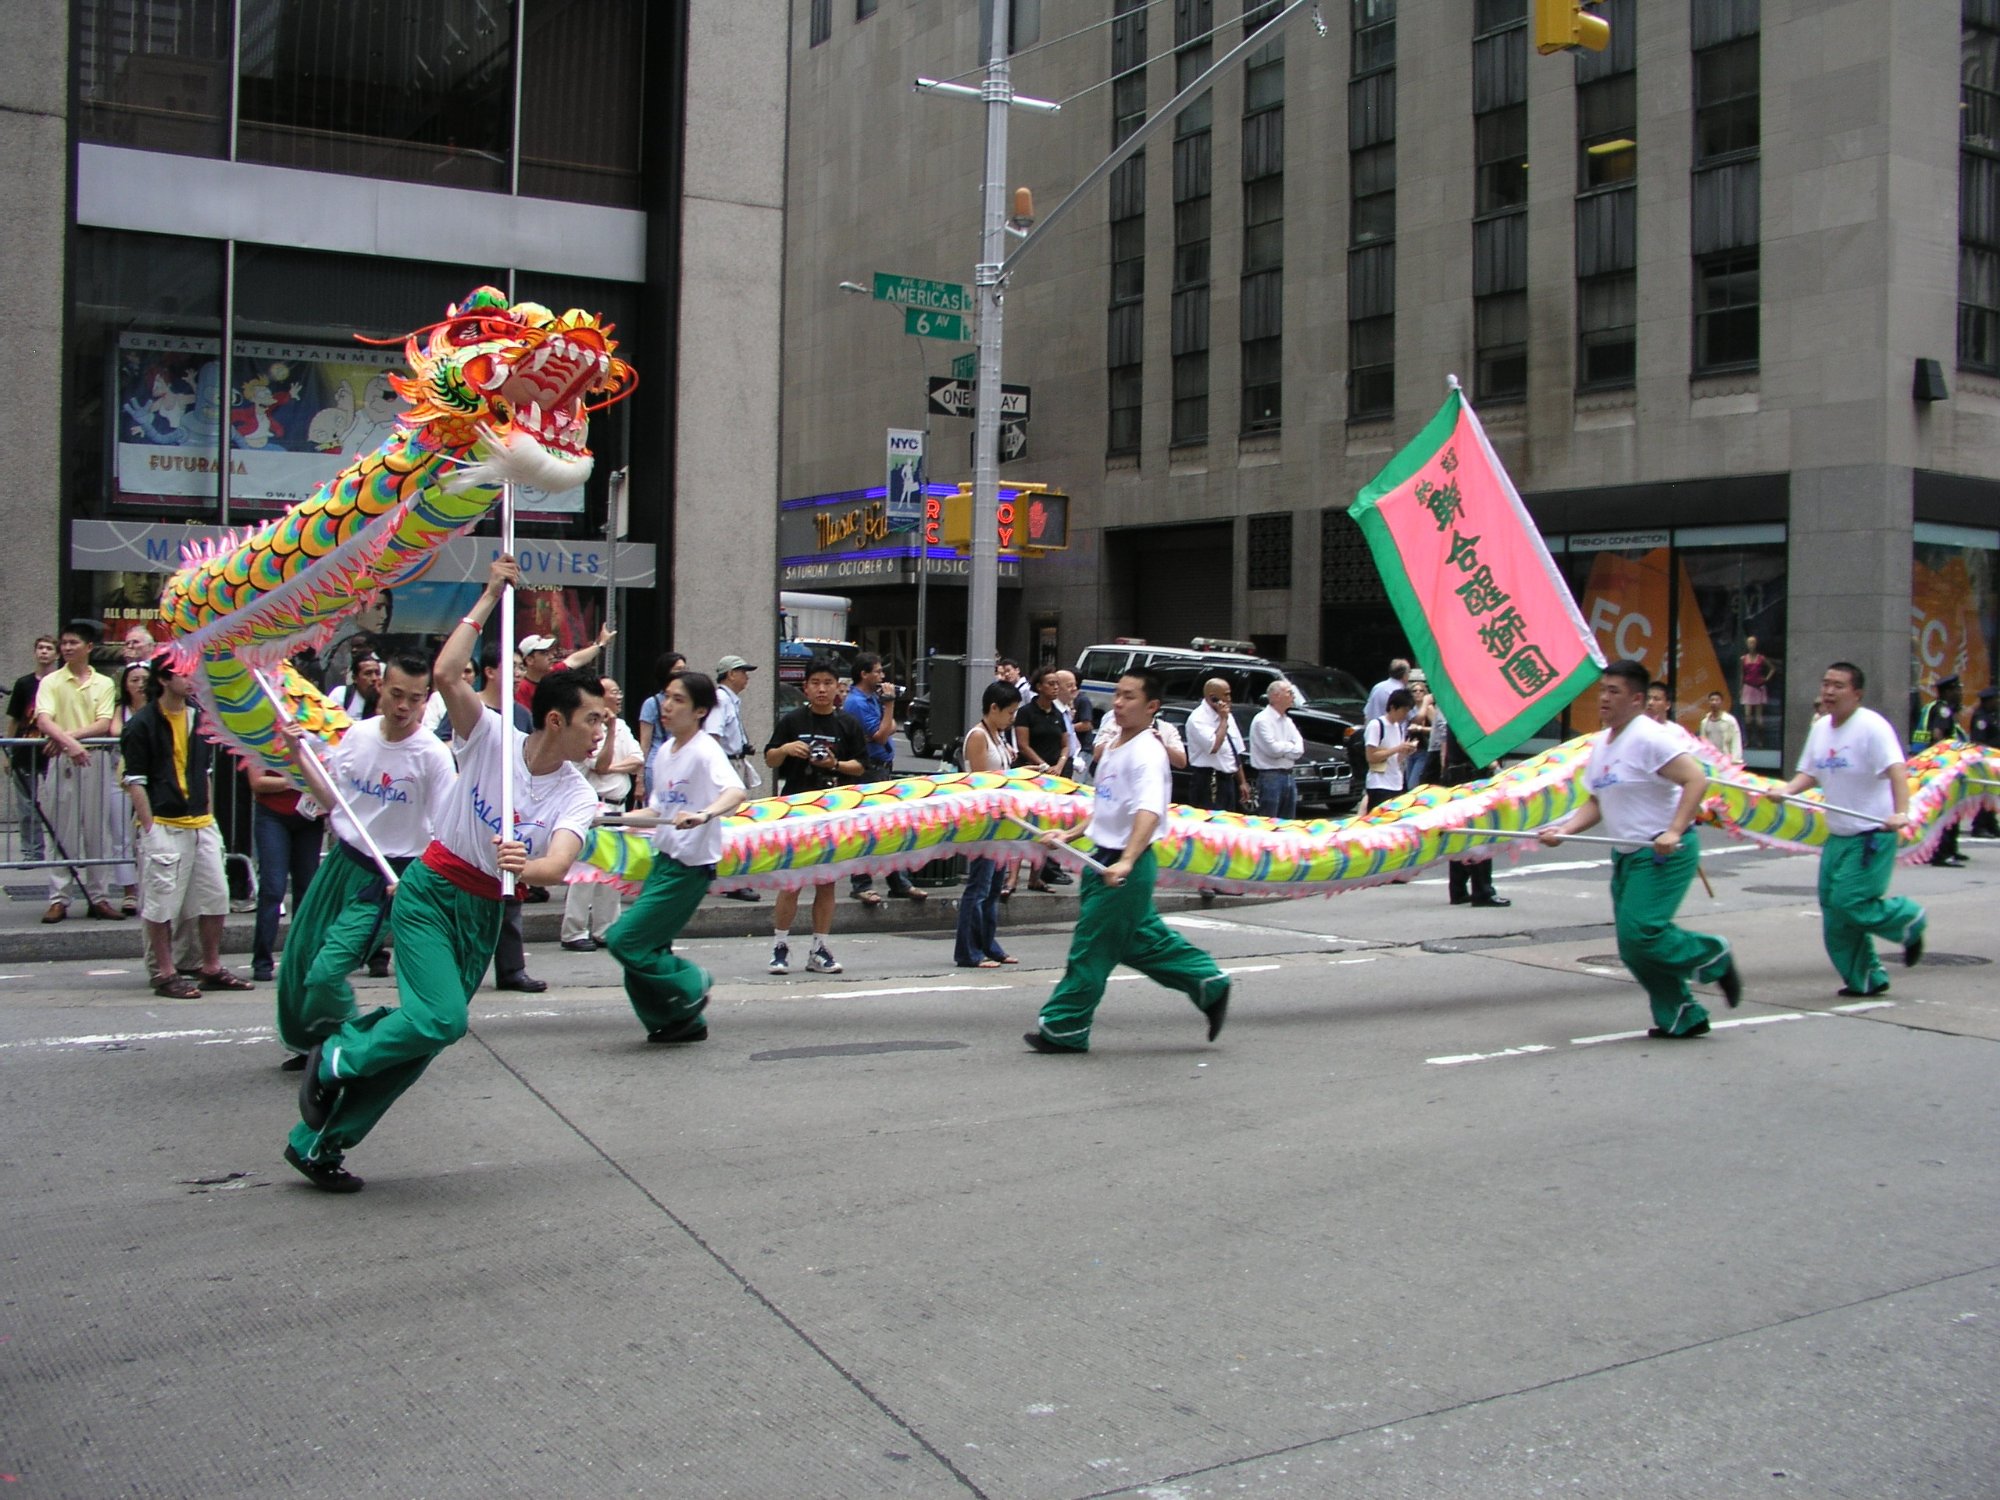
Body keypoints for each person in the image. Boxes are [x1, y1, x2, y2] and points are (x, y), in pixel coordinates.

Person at [288, 556, 606, 1193]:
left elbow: (560, 861)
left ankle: (319, 1144)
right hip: (432, 893)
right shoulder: (487, 737)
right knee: (441, 1020)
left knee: (422, 1040)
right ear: (555, 720)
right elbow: (444, 672)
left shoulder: (577, 794)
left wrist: (528, 866)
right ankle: (336, 1055)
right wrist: (489, 594)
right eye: (593, 719)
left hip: (482, 913)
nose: (603, 732)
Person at [1023, 668, 1231, 1054]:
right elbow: (1107, 804)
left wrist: (1128, 860)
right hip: (1105, 858)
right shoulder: (1117, 744)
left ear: (1152, 706)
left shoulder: (1148, 754)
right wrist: (1068, 835)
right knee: (1141, 942)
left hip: (1121, 867)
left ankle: (1064, 1026)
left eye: (1129, 697)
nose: (1118, 703)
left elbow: (1149, 810)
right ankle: (1208, 982)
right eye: (1117, 695)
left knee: (1092, 947)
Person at [1539, 659, 1741, 1038]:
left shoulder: (1650, 737)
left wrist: (1674, 830)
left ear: (1636, 699)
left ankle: (1712, 954)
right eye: (1602, 690)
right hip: (1627, 855)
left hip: (1662, 852)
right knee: (1633, 949)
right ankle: (1681, 1015)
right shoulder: (1603, 744)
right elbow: (1597, 801)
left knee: (1642, 935)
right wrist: (1563, 829)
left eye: (1613, 691)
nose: (1603, 698)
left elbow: (1695, 779)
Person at [273, 653, 457, 1063]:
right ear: (381, 690)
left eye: (414, 698)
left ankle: (357, 1046)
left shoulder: (432, 756)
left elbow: (447, 829)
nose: (404, 706)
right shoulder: (357, 735)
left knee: (326, 971)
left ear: (426, 699)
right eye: (396, 694)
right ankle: (315, 1043)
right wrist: (295, 751)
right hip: (342, 863)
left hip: (388, 878)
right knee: (299, 958)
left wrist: (422, 883)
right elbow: (332, 800)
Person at [1759, 661, 1926, 998]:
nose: (1829, 691)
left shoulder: (1872, 727)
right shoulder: (1821, 728)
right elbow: (1811, 772)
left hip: (1872, 835)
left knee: (1851, 903)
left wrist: (1901, 812)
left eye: (1838, 686)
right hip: (1839, 835)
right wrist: (1787, 791)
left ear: (1857, 693)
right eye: (1826, 684)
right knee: (1834, 912)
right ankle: (1864, 978)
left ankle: (1908, 919)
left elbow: (1897, 771)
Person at [604, 671, 748, 1043]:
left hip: (689, 870)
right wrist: (611, 820)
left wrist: (705, 814)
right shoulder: (665, 753)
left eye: (679, 700)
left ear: (701, 711)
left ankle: (690, 982)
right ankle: (680, 1022)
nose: (667, 706)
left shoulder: (705, 750)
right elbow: (657, 810)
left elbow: (735, 791)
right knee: (647, 949)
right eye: (666, 697)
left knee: (624, 940)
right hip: (663, 862)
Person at [120, 655, 256, 999]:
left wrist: (208, 816)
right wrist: (149, 829)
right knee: (162, 902)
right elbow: (135, 781)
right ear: (163, 680)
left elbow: (203, 772)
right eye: (182, 674)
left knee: (215, 897)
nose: (191, 679)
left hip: (200, 822)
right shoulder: (141, 724)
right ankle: (165, 972)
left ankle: (209, 965)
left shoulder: (198, 718)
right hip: (164, 823)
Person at [763, 656, 866, 974]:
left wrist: (833, 764)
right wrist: (787, 749)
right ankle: (780, 946)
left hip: (834, 812)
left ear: (838, 688)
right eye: (816, 683)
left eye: (828, 683)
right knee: (791, 882)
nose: (822, 689)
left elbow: (860, 766)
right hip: (795, 810)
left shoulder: (848, 724)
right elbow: (769, 758)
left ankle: (819, 948)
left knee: (827, 883)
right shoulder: (792, 721)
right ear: (805, 688)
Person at [33, 619, 121, 923]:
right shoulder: (51, 681)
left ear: (89, 647)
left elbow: (104, 723)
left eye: (73, 643)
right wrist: (69, 745)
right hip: (62, 760)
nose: (67, 648)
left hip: (93, 759)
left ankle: (99, 896)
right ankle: (59, 897)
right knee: (61, 831)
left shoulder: (104, 683)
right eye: (64, 643)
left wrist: (69, 740)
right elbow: (44, 720)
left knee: (98, 831)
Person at [474, 655, 547, 992]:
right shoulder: (472, 710)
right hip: (476, 810)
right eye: (512, 667)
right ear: (489, 671)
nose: (518, 673)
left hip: (511, 812)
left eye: (520, 667)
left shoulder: (520, 714)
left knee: (510, 892)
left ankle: (512, 969)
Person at [561, 675, 644, 951]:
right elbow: (599, 765)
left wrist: (616, 766)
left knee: (613, 870)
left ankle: (605, 929)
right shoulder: (588, 728)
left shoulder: (621, 725)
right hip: (593, 806)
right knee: (586, 871)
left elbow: (637, 759)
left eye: (619, 692)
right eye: (613, 692)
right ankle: (574, 931)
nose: (618, 697)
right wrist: (607, 735)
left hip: (618, 804)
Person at [844, 652, 926, 905]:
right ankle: (862, 883)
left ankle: (898, 881)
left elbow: (888, 728)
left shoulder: (870, 699)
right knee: (867, 828)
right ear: (864, 674)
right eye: (878, 672)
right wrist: (889, 705)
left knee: (890, 827)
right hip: (868, 770)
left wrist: (885, 721)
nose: (882, 677)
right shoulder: (857, 702)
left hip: (882, 767)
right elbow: (881, 733)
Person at [244, 751, 326, 985]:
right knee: (272, 888)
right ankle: (262, 960)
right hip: (273, 815)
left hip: (310, 817)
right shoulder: (261, 730)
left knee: (307, 891)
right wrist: (299, 781)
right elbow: (258, 782)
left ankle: (301, 959)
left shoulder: (318, 731)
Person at [955, 683, 1020, 969]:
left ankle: (988, 944)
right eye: (1009, 712)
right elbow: (981, 781)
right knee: (979, 888)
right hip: (985, 820)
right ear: (993, 708)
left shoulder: (997, 735)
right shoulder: (978, 736)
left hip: (1001, 819)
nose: (1012, 718)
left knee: (994, 888)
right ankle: (969, 951)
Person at [1010, 666, 1074, 894]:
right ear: (1039, 687)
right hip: (1031, 774)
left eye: (1058, 684)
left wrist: (1059, 764)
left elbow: (1065, 744)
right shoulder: (1027, 712)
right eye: (1051, 684)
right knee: (1025, 823)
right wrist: (1043, 766)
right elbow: (1023, 744)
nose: (1056, 688)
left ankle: (1036, 877)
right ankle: (1012, 879)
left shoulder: (1058, 714)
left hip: (1054, 777)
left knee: (1046, 825)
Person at [708, 655, 763, 900]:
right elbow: (713, 736)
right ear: (730, 674)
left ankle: (726, 876)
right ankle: (730, 880)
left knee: (727, 823)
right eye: (743, 671)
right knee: (728, 824)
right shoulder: (721, 699)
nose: (747, 676)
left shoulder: (730, 700)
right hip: (727, 766)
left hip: (733, 762)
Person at [6, 633, 58, 867]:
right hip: (25, 752)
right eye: (40, 648)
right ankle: (32, 851)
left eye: (49, 648)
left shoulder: (59, 682)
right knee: (27, 805)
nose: (44, 652)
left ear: (56, 654)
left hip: (52, 750)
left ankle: (61, 851)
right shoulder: (24, 684)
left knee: (58, 803)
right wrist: (8, 751)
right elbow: (15, 719)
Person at [108, 661, 151, 914]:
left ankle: (148, 888)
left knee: (147, 832)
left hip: (149, 776)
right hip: (120, 774)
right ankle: (128, 890)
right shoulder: (121, 708)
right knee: (121, 832)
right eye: (133, 679)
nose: (139, 684)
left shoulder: (157, 708)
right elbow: (115, 730)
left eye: (143, 679)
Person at [1917, 675, 1967, 868]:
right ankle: (1942, 853)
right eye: (1957, 690)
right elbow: (1938, 737)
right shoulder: (1944, 711)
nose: (1960, 693)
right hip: (1941, 768)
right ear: (1948, 691)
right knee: (1946, 811)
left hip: (1925, 766)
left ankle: (1944, 850)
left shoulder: (1929, 708)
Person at [515, 625, 613, 715]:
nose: (551, 656)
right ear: (529, 660)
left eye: (550, 652)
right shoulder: (521, 687)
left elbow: (574, 660)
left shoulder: (552, 674)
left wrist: (601, 645)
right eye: (544, 653)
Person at [1186, 677, 1251, 812]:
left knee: (1228, 822)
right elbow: (1214, 746)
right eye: (1226, 695)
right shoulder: (1198, 718)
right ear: (1213, 697)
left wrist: (1242, 782)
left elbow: (1234, 750)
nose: (1229, 698)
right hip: (1208, 778)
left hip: (1227, 778)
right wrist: (1222, 720)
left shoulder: (1227, 716)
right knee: (1211, 824)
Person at [1248, 679, 1304, 820]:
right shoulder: (1262, 720)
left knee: (1288, 823)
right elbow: (1272, 750)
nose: (1293, 697)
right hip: (1270, 777)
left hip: (1289, 776)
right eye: (1289, 693)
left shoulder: (1288, 720)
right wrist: (1289, 746)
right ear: (1275, 696)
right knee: (1269, 822)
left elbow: (1300, 749)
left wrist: (1283, 747)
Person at [636, 649, 688, 793]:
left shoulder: (689, 702)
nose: (683, 674)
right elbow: (644, 744)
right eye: (678, 670)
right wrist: (639, 780)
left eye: (684, 669)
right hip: (656, 764)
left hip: (681, 762)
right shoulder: (651, 703)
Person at [1363, 688, 1417, 812]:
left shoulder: (1398, 727)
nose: (1405, 714)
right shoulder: (1376, 725)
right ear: (1393, 707)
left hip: (1396, 782)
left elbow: (1396, 759)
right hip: (1379, 783)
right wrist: (1398, 748)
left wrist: (1405, 751)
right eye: (1404, 710)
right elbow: (1371, 756)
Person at [1971, 687, 1999, 839]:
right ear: (1988, 701)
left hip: (1995, 761)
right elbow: (1978, 742)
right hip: (1986, 761)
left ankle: (1991, 824)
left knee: (1993, 793)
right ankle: (1980, 826)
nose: (1998, 702)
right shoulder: (1980, 718)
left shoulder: (1993, 716)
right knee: (1985, 794)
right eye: (1995, 699)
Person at [1739, 636, 1775, 736]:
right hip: (1748, 687)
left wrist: (1766, 679)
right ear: (1746, 644)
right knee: (1748, 716)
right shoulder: (1743, 659)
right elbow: (1742, 674)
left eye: (1753, 643)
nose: (1751, 645)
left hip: (1759, 687)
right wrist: (1740, 688)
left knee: (1759, 717)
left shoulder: (1761, 658)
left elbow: (1772, 668)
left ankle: (1760, 740)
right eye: (1750, 643)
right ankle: (1749, 739)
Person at [331, 651, 382, 720]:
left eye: (377, 673)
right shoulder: (341, 695)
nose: (374, 678)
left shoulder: (385, 699)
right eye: (368, 673)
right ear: (355, 678)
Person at [1697, 690, 1744, 760]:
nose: (1714, 702)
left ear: (1721, 702)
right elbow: (1703, 742)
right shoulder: (1705, 722)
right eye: (1712, 700)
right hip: (1711, 759)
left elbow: (1736, 741)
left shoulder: (1729, 720)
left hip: (1726, 758)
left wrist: (1735, 759)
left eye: (1717, 700)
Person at [1363, 658, 1411, 723]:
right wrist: (1426, 702)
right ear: (1404, 675)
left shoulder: (1377, 687)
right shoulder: (1401, 692)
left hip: (1374, 728)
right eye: (1409, 672)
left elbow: (1367, 713)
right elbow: (1414, 718)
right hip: (1391, 730)